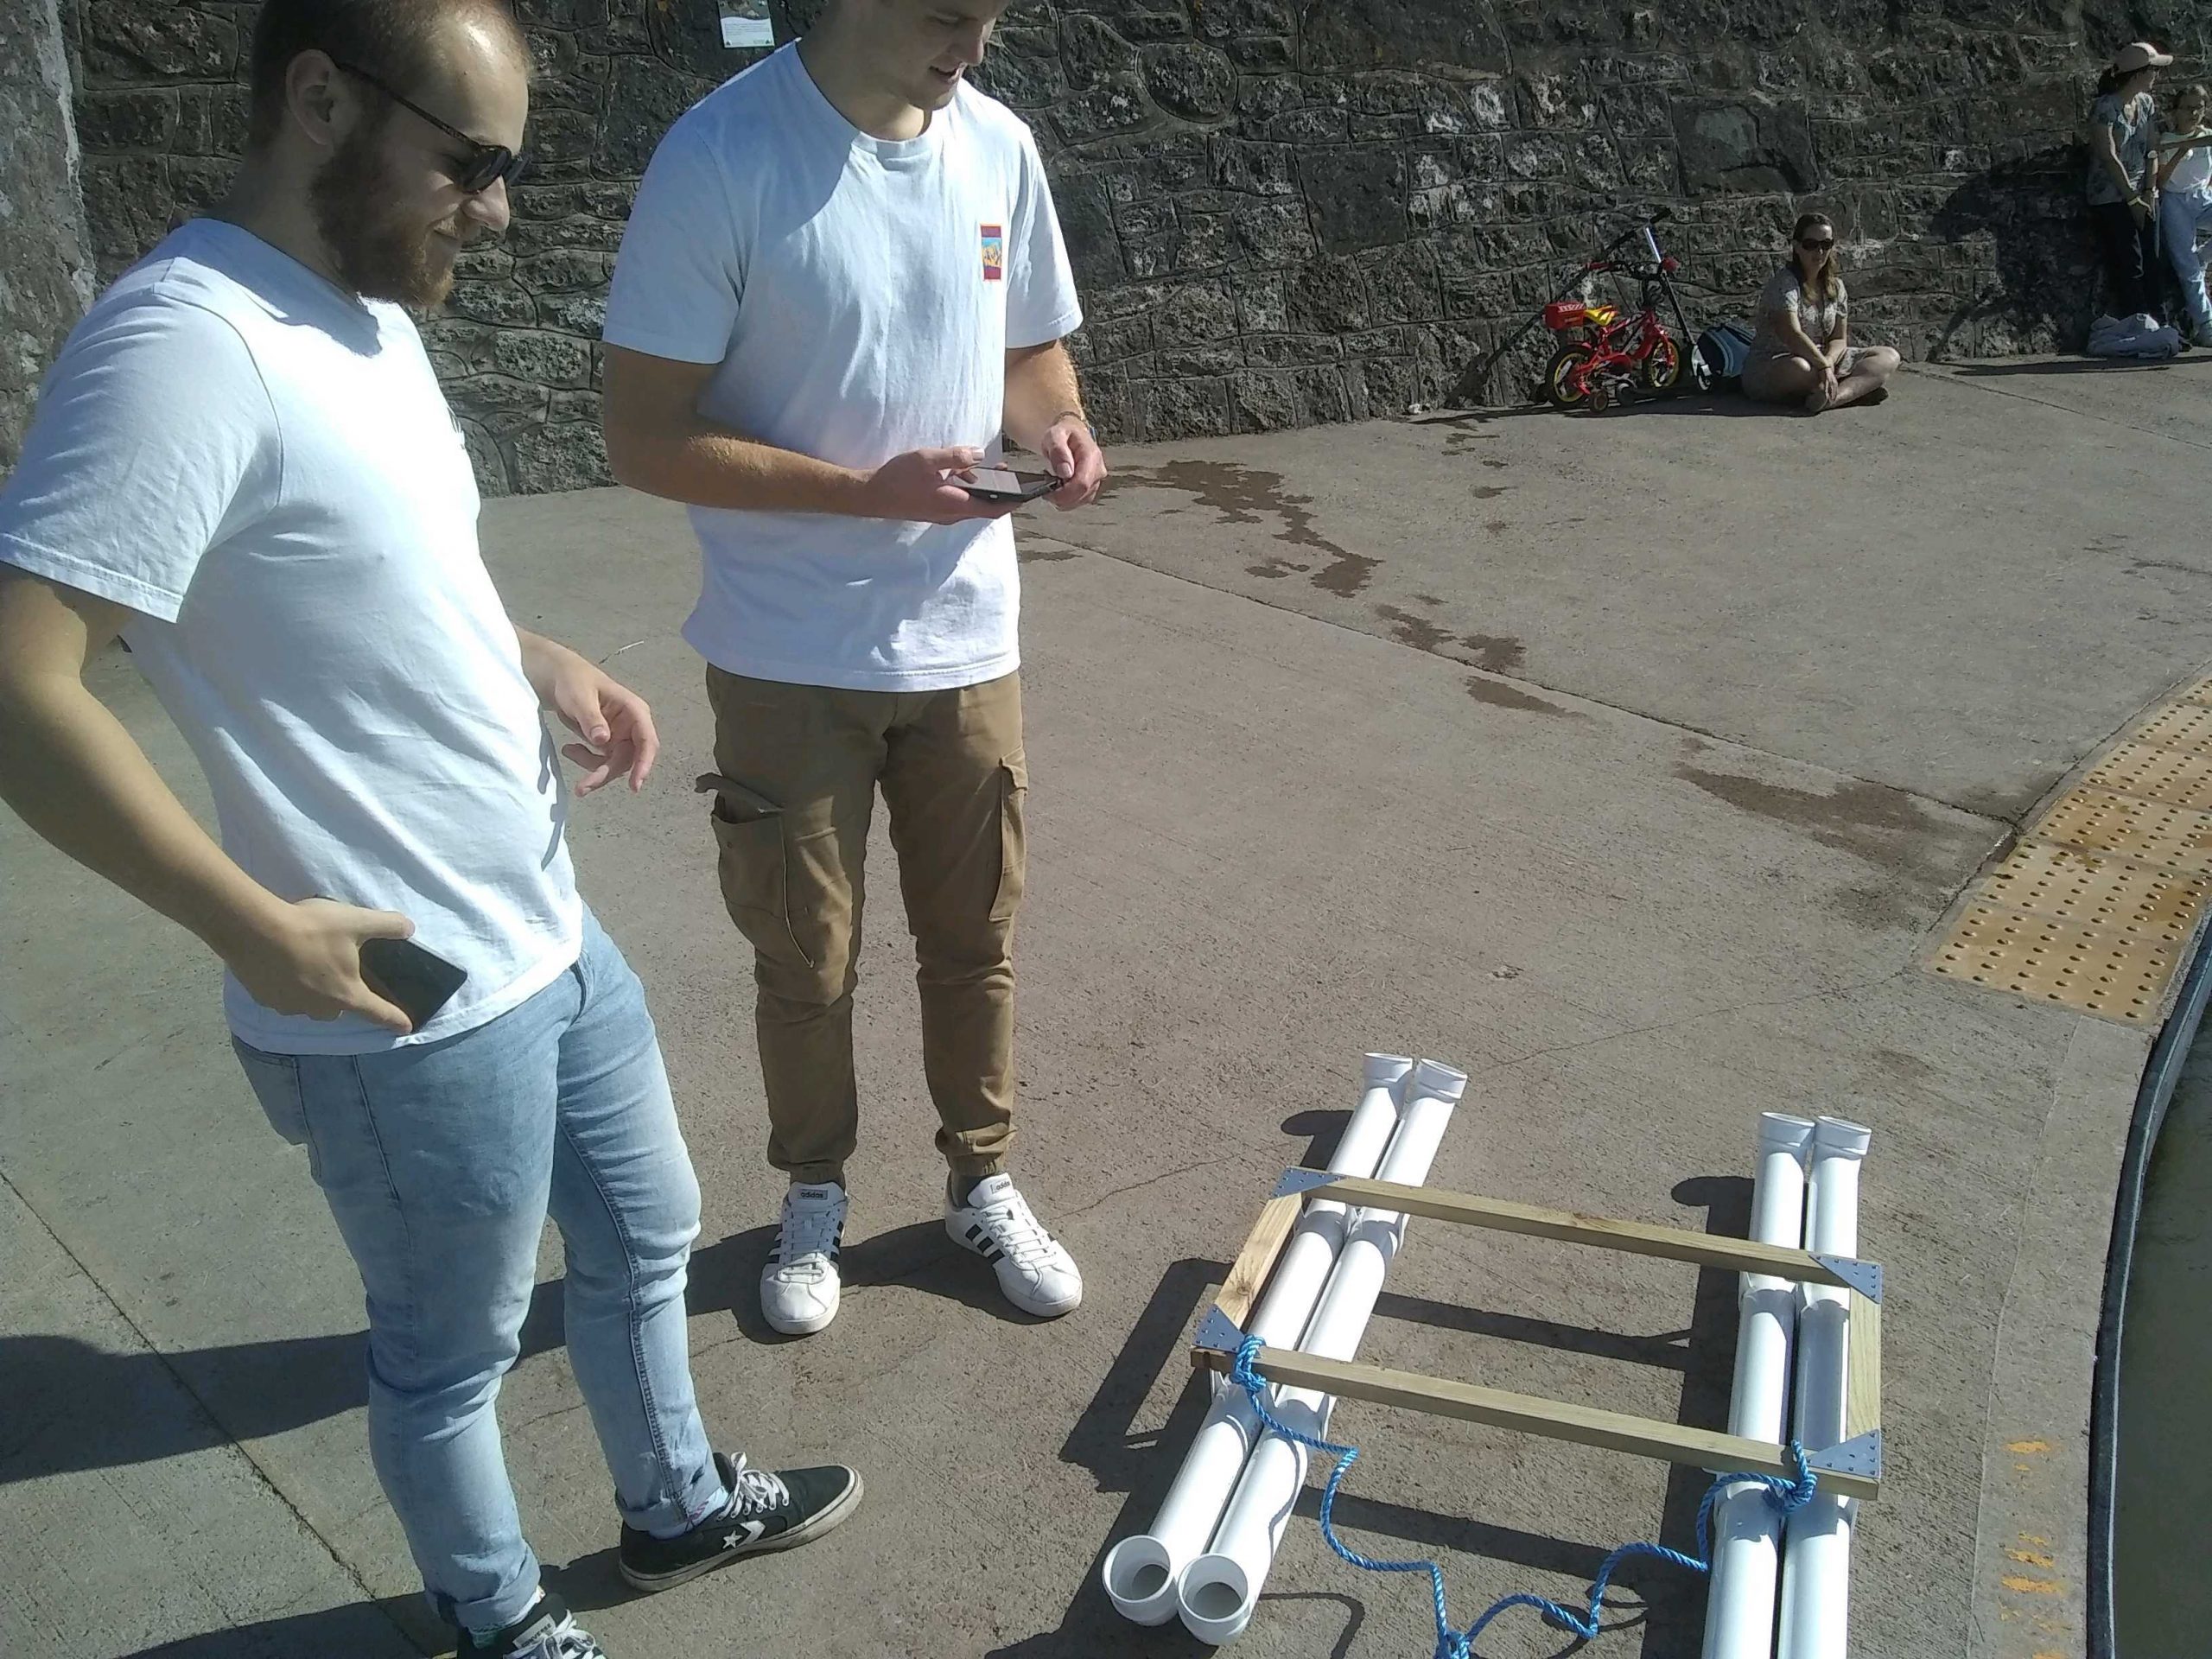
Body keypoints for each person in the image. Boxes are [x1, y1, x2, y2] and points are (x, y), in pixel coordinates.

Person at [0, 3, 861, 1656]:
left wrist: (531, 656)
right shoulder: (183, 349)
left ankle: (673, 1507)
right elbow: (21, 683)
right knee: (448, 1354)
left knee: (646, 1233)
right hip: (399, 987)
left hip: (542, 919)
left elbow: (376, 570)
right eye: (472, 163)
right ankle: (496, 1619)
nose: (500, 209)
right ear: (322, 101)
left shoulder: (360, 309)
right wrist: (248, 924)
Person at [600, 0, 1107, 1339]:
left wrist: (1059, 425)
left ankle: (980, 1181)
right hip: (787, 649)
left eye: (992, 15)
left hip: (966, 636)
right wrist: (859, 492)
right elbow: (643, 435)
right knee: (805, 956)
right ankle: (813, 1191)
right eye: (950, 12)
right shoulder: (723, 156)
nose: (974, 45)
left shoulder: (997, 148)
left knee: (975, 939)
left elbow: (1027, 350)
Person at [1740, 212, 1902, 413]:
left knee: (1888, 356)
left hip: (1823, 359)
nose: (1819, 251)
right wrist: (1823, 367)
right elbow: (1792, 335)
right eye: (1811, 244)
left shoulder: (1836, 287)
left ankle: (1832, 399)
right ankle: (1853, 390)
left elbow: (1839, 339)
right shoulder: (1784, 285)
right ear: (1797, 246)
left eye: (1826, 244)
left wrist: (1829, 362)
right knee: (1800, 368)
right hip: (1780, 362)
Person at [2086, 41, 2172, 323]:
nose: (2156, 76)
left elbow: (2151, 148)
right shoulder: (2105, 108)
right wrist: (2131, 199)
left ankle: (2162, 323)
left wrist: (2148, 190)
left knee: (2153, 259)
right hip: (2112, 195)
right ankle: (2140, 323)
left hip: (2143, 190)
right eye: (2153, 70)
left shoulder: (2146, 103)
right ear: (2137, 74)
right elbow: (2108, 156)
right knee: (2131, 262)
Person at [2154, 82, 2212, 347]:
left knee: (2195, 262)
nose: (2194, 113)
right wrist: (2181, 150)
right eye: (2188, 108)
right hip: (2175, 202)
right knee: (2187, 269)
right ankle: (2206, 324)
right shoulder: (2166, 140)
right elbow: (2162, 180)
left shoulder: (2207, 136)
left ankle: (2202, 257)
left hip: (2202, 196)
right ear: (2176, 111)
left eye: (2199, 108)